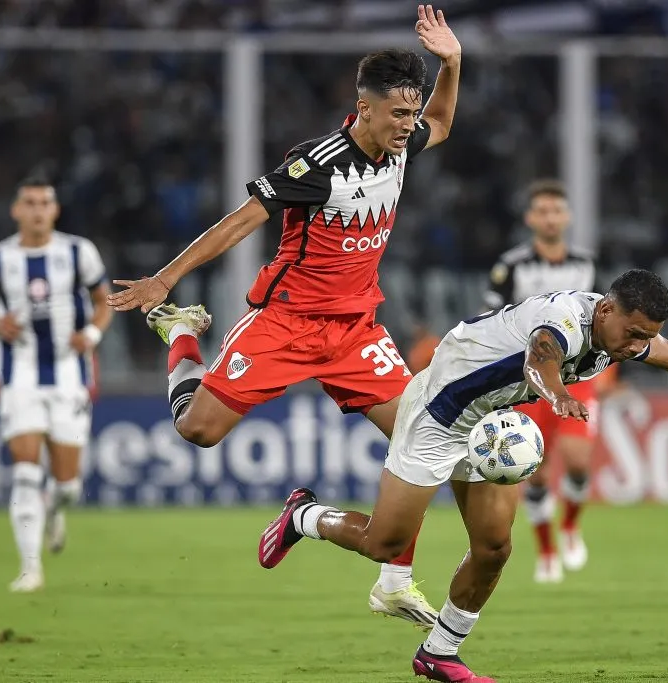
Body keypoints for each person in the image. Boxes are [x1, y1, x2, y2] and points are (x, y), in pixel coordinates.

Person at [258, 269, 668, 682]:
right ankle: (304, 516)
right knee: (384, 543)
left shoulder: (620, 331)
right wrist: (558, 395)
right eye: (633, 334)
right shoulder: (563, 321)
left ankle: (439, 654)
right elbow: (539, 360)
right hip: (438, 414)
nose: (637, 346)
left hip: (489, 421)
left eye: (645, 338)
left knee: (494, 548)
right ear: (606, 309)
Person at [107, 5, 461, 629]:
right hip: (285, 322)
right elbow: (240, 221)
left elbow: (443, 123)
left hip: (355, 330)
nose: (409, 125)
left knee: (420, 439)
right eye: (398, 114)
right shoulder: (318, 163)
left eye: (412, 113)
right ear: (364, 107)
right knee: (197, 431)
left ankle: (387, 578)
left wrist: (452, 62)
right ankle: (182, 331)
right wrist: (166, 279)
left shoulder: (402, 145)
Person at [0, 173, 113, 593]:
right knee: (26, 473)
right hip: (19, 377)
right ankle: (30, 568)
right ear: (16, 210)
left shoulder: (78, 252)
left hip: (69, 375)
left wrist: (92, 334)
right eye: (29, 203)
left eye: (44, 203)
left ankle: (56, 509)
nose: (37, 211)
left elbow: (104, 302)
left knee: (68, 486)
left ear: (55, 210)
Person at [487, 178, 599, 583]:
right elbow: (492, 322)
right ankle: (547, 551)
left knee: (578, 462)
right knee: (534, 469)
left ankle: (569, 525)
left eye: (557, 211)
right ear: (530, 218)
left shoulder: (587, 265)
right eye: (543, 211)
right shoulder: (511, 267)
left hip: (577, 375)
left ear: (567, 217)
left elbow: (607, 324)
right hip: (528, 380)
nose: (550, 218)